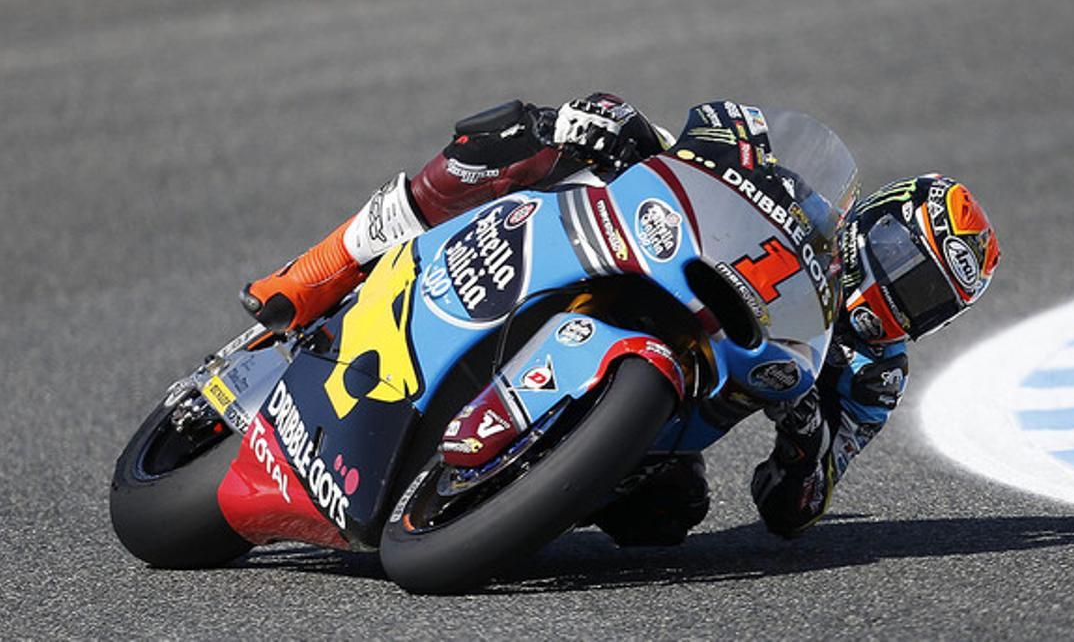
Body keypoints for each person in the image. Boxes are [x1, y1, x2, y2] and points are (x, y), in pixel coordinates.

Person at [241, 94, 1001, 544]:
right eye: (904, 259)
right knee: (532, 132)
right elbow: (721, 140)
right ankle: (316, 270)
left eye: (927, 297)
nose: (901, 293)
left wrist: (806, 439)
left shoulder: (874, 376)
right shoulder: (806, 202)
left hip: (684, 393)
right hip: (653, 261)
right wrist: (635, 131)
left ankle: (505, 498)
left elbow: (793, 508)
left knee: (669, 513)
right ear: (873, 219)